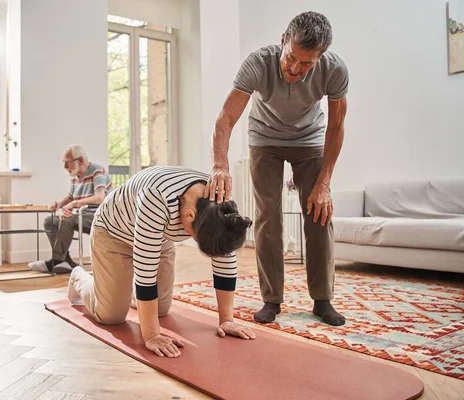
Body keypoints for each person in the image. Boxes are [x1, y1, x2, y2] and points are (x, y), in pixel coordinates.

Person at [206, 11, 348, 326]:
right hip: (264, 140)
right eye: (291, 57)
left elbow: (336, 127)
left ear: (320, 57)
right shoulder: (257, 63)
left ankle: (322, 300)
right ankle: (272, 300)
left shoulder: (335, 70)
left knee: (319, 214)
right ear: (282, 41)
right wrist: (220, 164)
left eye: (306, 63)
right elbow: (225, 119)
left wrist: (324, 183)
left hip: (309, 141)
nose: (295, 68)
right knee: (267, 215)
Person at [68, 166, 256, 358]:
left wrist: (226, 320)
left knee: (160, 309)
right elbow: (145, 271)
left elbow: (224, 257)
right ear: (189, 215)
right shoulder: (156, 198)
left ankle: (125, 291)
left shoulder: (220, 201)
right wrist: (151, 335)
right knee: (111, 316)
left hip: (158, 234)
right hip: (113, 233)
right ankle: (78, 277)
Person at [29, 145, 112, 274]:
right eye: (64, 163)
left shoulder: (97, 170)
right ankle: (65, 260)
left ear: (80, 160)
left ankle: (56, 261)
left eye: (68, 163)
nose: (64, 167)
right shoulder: (74, 176)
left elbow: (99, 198)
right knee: (50, 221)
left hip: (99, 216)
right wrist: (59, 204)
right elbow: (70, 197)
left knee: (67, 219)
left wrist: (73, 204)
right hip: (81, 215)